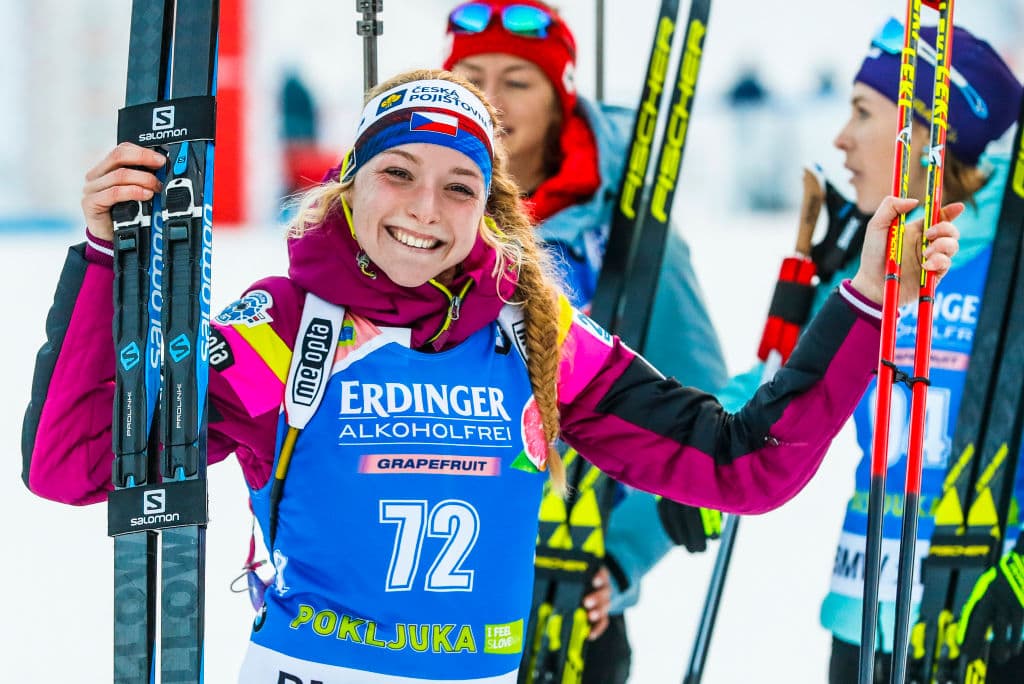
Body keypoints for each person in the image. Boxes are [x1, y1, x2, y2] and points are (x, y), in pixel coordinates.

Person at [23, 68, 960, 684]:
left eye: (459, 186)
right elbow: (73, 466)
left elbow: (742, 466)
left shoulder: (539, 333)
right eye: (397, 173)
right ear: (348, 185)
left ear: (490, 207)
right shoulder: (281, 325)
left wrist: (867, 297)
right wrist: (107, 258)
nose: (424, 210)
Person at [718, 18, 1024, 683]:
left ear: (929, 136)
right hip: (864, 616)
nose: (840, 138)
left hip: (986, 618)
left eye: (863, 112)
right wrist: (706, 452)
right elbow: (784, 388)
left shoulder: (1011, 260)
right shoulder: (873, 265)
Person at [440, 1, 727, 679]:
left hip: (566, 581)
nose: (488, 98)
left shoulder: (623, 227)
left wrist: (622, 554)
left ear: (560, 97)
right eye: (469, 74)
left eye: (517, 80)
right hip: (421, 572)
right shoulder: (411, 215)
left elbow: (699, 395)